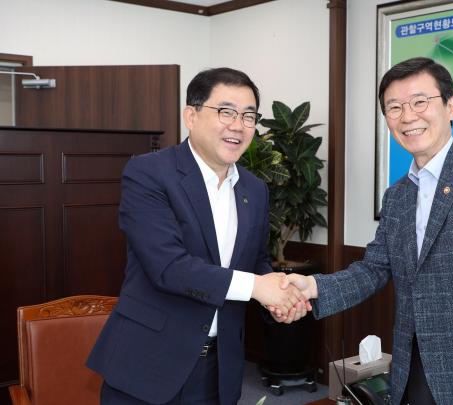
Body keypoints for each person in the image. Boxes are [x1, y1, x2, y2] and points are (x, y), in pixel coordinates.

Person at [283, 57, 453, 405]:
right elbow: (374, 268)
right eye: (394, 107)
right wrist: (314, 287)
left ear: (451, 106)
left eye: (420, 102)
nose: (407, 116)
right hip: (414, 370)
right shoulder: (398, 195)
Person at [87, 67, 308, 405]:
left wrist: (275, 299)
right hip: (147, 364)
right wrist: (256, 287)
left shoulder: (255, 189)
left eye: (248, 116)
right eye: (226, 112)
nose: (238, 125)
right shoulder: (149, 173)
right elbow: (168, 267)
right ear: (191, 116)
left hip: (219, 369)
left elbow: (256, 261)